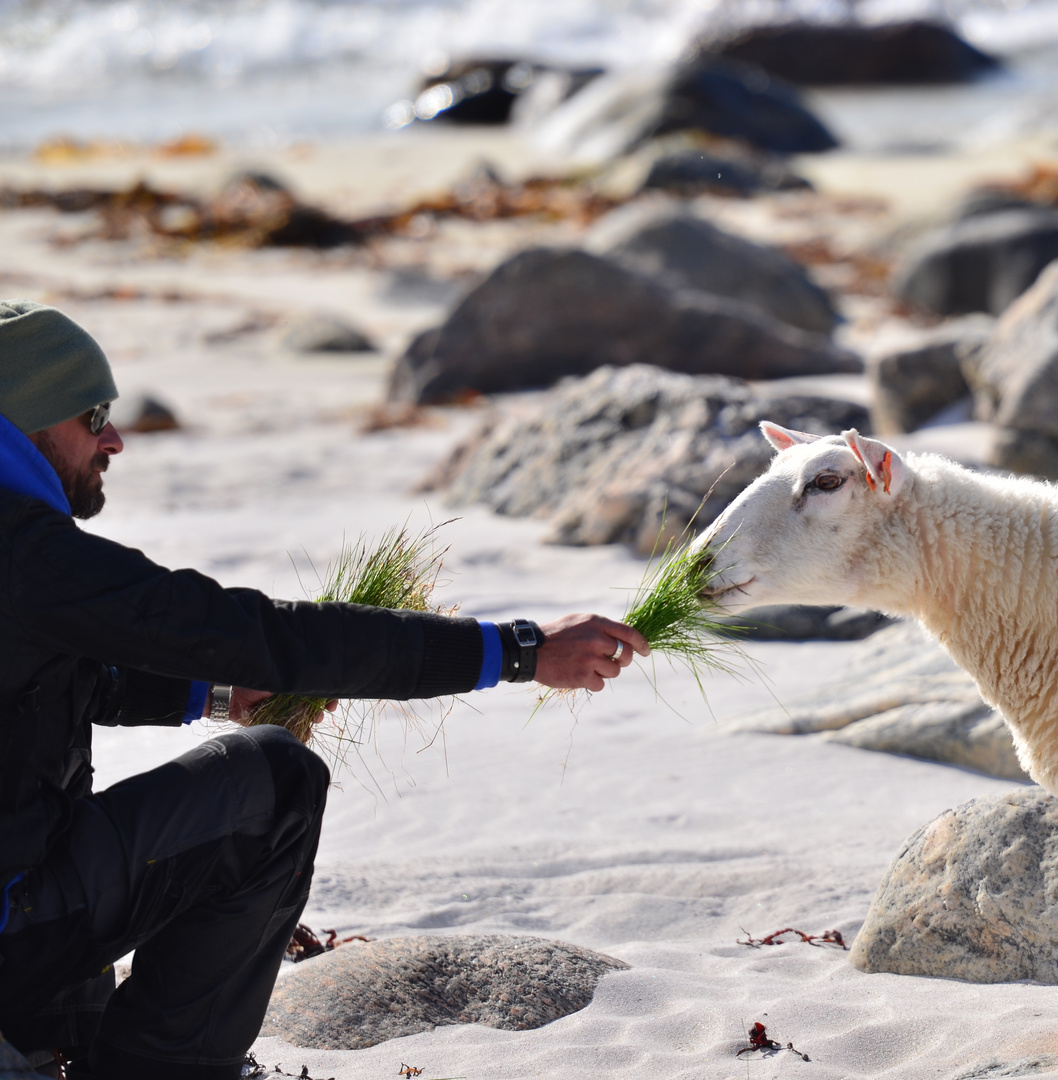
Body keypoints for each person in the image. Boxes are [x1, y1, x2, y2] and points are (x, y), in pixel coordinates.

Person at [0, 300, 650, 1079]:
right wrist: (515, 651)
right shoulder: (24, 553)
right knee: (274, 786)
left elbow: (46, 674)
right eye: (92, 413)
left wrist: (209, 693)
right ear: (23, 419)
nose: (115, 438)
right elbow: (262, 635)